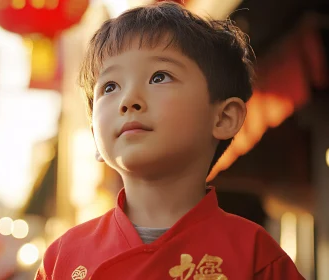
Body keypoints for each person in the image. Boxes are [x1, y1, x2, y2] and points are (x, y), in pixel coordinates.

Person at [35, 1, 305, 279]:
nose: (128, 100)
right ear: (94, 133)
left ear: (224, 118)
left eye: (159, 77)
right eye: (110, 86)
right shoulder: (62, 258)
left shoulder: (258, 257)